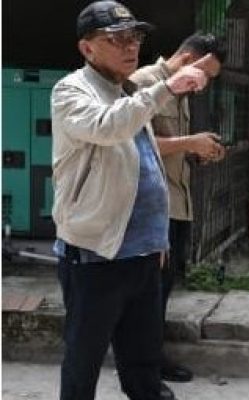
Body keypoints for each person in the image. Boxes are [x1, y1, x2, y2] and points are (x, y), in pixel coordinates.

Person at [50, 2, 208, 399]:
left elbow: (147, 167)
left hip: (143, 255)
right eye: (116, 39)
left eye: (134, 37)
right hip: (96, 255)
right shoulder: (71, 91)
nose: (131, 46)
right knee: (83, 361)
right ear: (87, 48)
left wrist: (157, 239)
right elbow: (108, 127)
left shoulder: (130, 91)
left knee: (142, 362)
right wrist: (167, 87)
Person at [129, 33, 226, 389]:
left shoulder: (180, 93)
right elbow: (130, 144)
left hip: (176, 203)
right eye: (206, 74)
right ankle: (143, 367)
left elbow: (168, 149)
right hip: (151, 206)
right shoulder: (143, 82)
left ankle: (152, 358)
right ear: (187, 59)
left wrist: (198, 152)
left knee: (163, 287)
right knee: (148, 290)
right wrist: (189, 142)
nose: (204, 85)